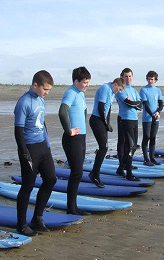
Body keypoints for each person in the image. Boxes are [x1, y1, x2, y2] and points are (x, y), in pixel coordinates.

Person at [14, 70, 57, 236]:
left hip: (42, 146)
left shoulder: (41, 100)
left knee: (51, 179)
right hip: (29, 148)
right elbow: (18, 131)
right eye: (45, 89)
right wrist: (24, 153)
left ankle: (37, 218)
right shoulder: (23, 102)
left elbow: (42, 123)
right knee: (27, 186)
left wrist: (47, 144)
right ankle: (21, 223)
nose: (47, 93)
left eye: (49, 90)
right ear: (35, 85)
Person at [59, 66, 91, 215]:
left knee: (78, 173)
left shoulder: (80, 93)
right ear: (76, 81)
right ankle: (71, 208)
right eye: (85, 82)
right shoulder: (70, 93)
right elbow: (62, 111)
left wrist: (82, 126)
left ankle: (74, 206)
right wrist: (69, 130)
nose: (87, 85)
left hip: (81, 137)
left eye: (88, 82)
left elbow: (84, 111)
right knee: (76, 172)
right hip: (72, 139)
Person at [89, 78, 125, 188]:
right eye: (119, 89)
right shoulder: (105, 88)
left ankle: (94, 173)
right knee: (103, 147)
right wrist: (106, 123)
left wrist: (107, 123)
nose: (119, 92)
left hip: (102, 121)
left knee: (104, 147)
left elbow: (108, 108)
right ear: (115, 85)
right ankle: (95, 175)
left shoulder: (112, 91)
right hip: (96, 119)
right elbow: (101, 107)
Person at [115, 68, 142, 181]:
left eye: (130, 76)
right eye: (126, 76)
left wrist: (134, 103)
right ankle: (129, 173)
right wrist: (134, 103)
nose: (128, 78)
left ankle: (121, 168)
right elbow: (130, 103)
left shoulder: (134, 90)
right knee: (129, 145)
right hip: (125, 119)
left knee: (134, 145)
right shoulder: (120, 90)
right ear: (122, 77)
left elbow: (140, 105)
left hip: (134, 119)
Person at [140, 71, 163, 166]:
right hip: (147, 118)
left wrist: (158, 112)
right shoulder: (143, 89)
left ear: (155, 80)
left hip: (156, 117)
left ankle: (152, 158)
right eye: (149, 79)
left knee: (153, 138)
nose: (150, 81)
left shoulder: (158, 90)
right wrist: (152, 115)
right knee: (147, 137)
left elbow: (161, 103)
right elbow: (145, 105)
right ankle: (146, 159)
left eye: (152, 79)